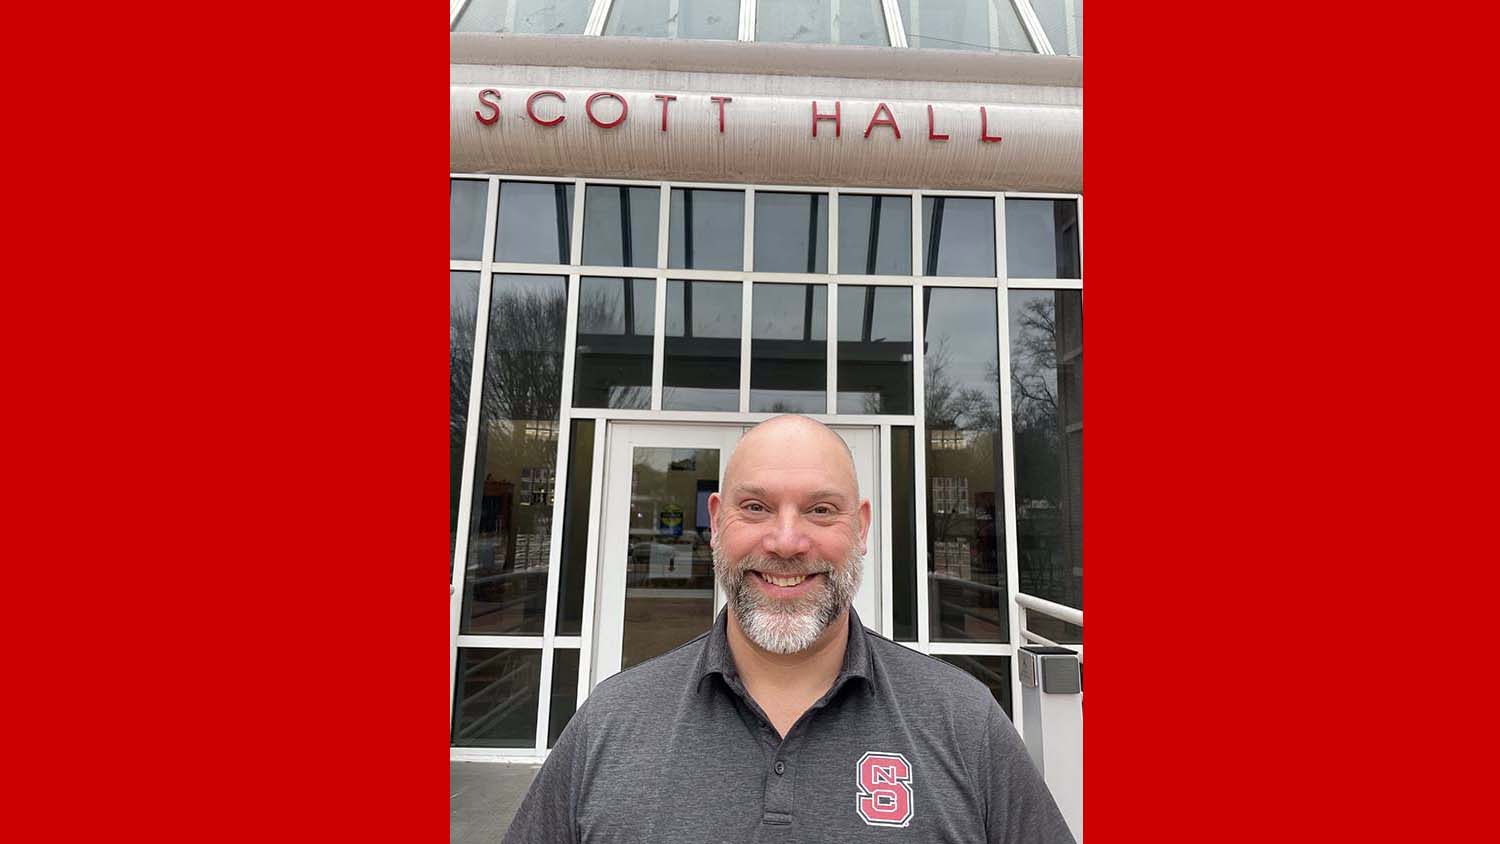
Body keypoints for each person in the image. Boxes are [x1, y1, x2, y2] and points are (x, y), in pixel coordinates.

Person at [502, 414, 1075, 843]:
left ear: (862, 527)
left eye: (821, 510)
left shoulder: (964, 721)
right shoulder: (611, 720)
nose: (785, 541)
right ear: (716, 521)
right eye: (755, 508)